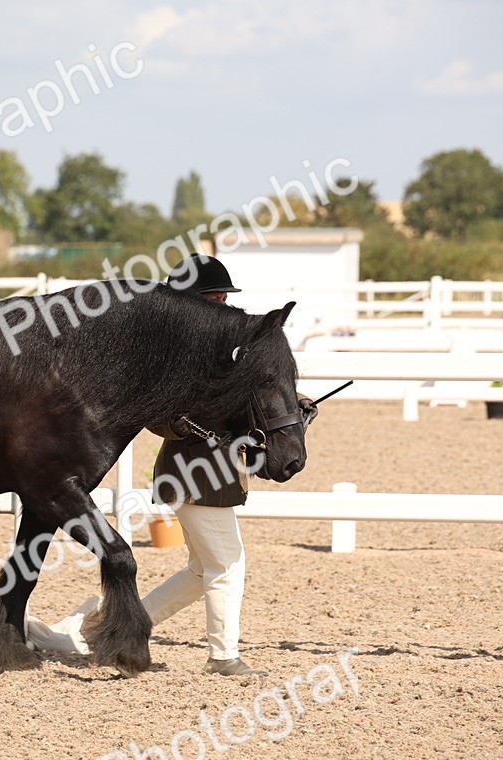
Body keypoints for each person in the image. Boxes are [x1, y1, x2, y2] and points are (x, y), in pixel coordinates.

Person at [20, 255, 316, 676]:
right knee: (227, 563)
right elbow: (170, 422)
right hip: (195, 472)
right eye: (213, 296)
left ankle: (110, 628)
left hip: (211, 472)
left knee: (200, 571)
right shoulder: (175, 355)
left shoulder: (215, 349)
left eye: (223, 296)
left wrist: (289, 412)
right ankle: (223, 657)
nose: (222, 303)